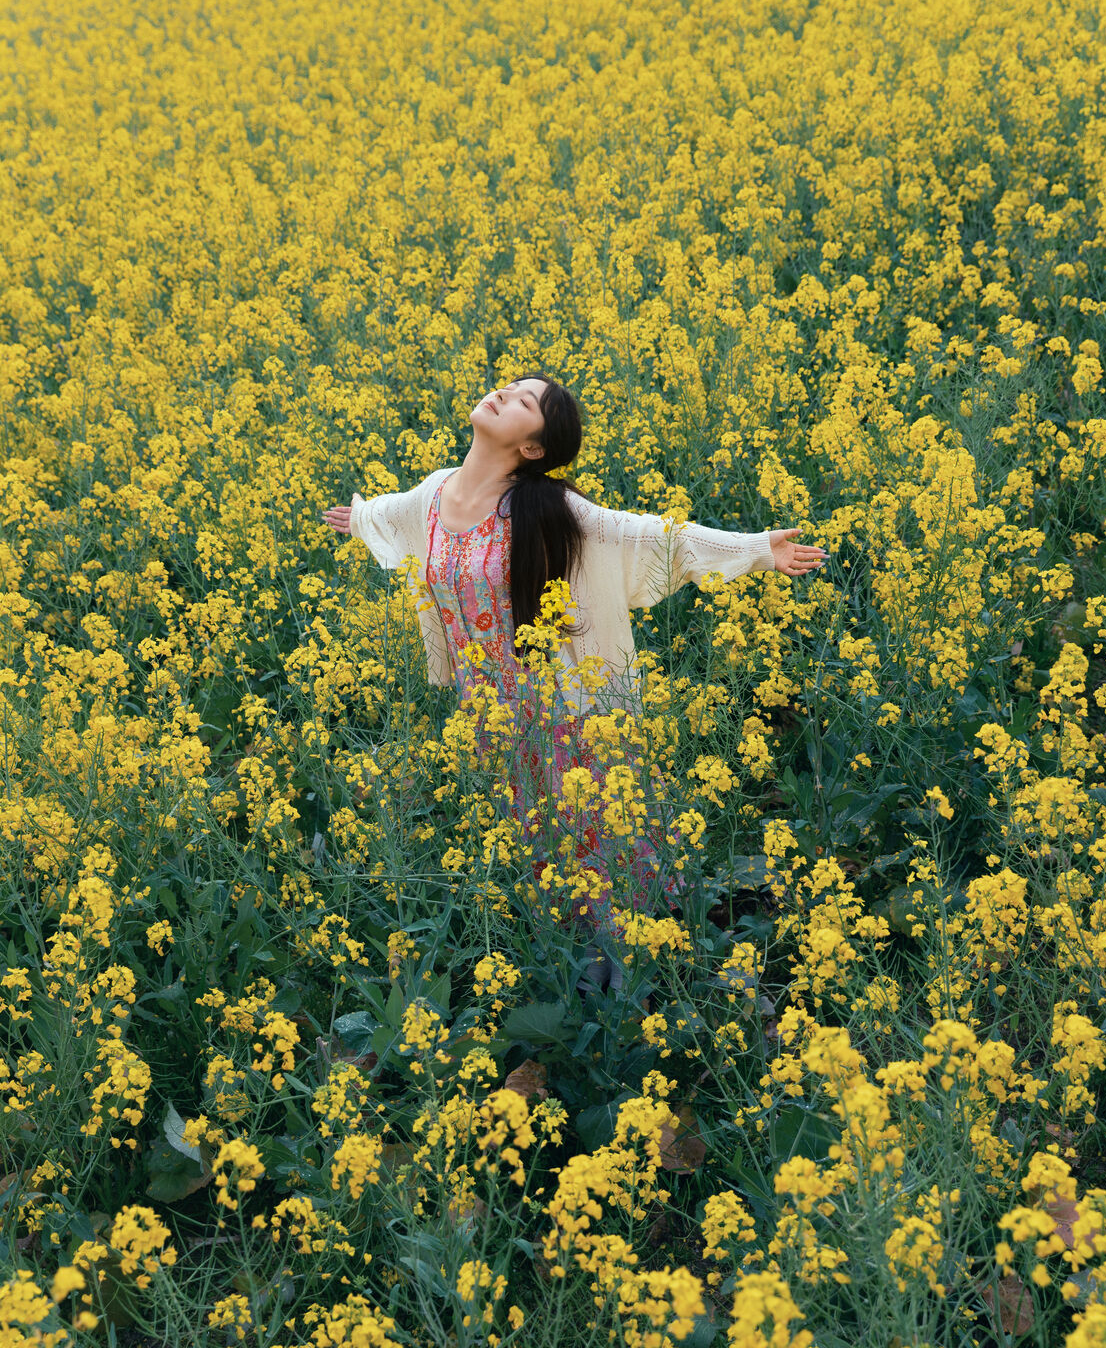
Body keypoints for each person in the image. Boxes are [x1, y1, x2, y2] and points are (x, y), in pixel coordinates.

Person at [322, 373, 828, 984]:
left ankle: (645, 973)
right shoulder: (432, 495)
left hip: (562, 708)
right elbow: (391, 514)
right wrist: (362, 518)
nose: (503, 394)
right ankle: (576, 977)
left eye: (524, 401)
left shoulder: (547, 507)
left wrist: (754, 549)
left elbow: (641, 533)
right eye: (510, 387)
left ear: (533, 447)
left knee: (598, 839)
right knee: (537, 845)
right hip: (486, 717)